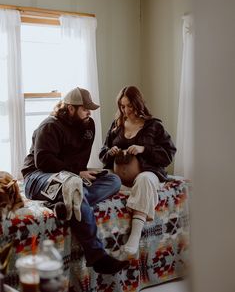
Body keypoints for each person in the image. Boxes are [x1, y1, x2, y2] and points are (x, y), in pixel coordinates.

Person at [21, 86, 129, 274]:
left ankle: (65, 200)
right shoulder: (49, 126)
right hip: (38, 177)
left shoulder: (88, 125)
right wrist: (76, 174)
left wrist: (82, 175)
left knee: (114, 181)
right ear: (70, 108)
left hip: (71, 178)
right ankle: (97, 256)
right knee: (73, 186)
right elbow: (43, 161)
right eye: (85, 108)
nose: (89, 112)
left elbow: (80, 160)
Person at [99, 86, 176, 258]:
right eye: (122, 106)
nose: (126, 110)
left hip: (147, 173)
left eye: (130, 106)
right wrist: (109, 153)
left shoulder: (154, 126)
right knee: (97, 178)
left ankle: (134, 235)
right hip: (119, 179)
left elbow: (169, 153)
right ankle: (136, 193)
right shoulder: (116, 125)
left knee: (144, 181)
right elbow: (102, 154)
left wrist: (144, 149)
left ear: (138, 104)